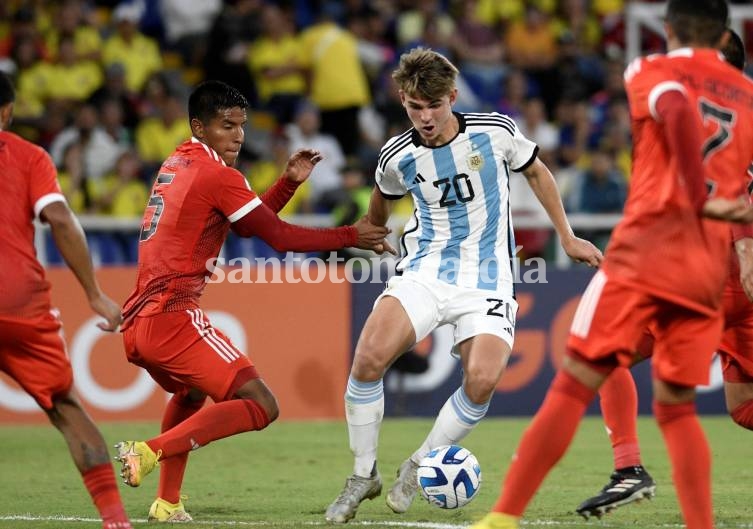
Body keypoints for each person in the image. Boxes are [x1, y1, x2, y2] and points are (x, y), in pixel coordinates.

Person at [470, 2, 753, 529]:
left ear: (668, 30)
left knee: (578, 376)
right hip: (711, 266)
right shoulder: (747, 98)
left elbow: (673, 108)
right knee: (678, 406)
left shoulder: (650, 70)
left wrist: (693, 190)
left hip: (651, 252)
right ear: (724, 33)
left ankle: (505, 516)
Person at [324, 47, 604, 524]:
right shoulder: (398, 154)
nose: (426, 116)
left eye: (434, 105)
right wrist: (372, 233)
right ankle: (362, 474)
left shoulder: (494, 132)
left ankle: (418, 464)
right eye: (415, 107)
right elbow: (382, 196)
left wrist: (567, 234)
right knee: (369, 357)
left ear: (452, 96)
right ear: (403, 101)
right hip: (425, 271)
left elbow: (536, 170)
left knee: (483, 378)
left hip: (489, 279)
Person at [113, 80, 389, 523]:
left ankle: (167, 503)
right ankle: (148, 452)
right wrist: (351, 235)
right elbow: (276, 237)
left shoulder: (179, 162)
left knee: (190, 393)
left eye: (241, 126)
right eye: (227, 126)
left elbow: (243, 225)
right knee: (262, 405)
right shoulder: (218, 174)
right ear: (199, 126)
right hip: (173, 312)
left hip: (141, 321)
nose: (238, 135)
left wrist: (286, 184)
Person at [576, 27, 753, 520]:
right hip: (729, 278)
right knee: (742, 407)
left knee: (603, 353)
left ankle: (629, 468)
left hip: (695, 274)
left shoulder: (686, 107)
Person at [0, 72, 132, 529]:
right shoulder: (28, 156)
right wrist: (94, 293)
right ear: (7, 111)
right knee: (66, 409)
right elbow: (58, 216)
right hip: (17, 300)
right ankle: (115, 521)